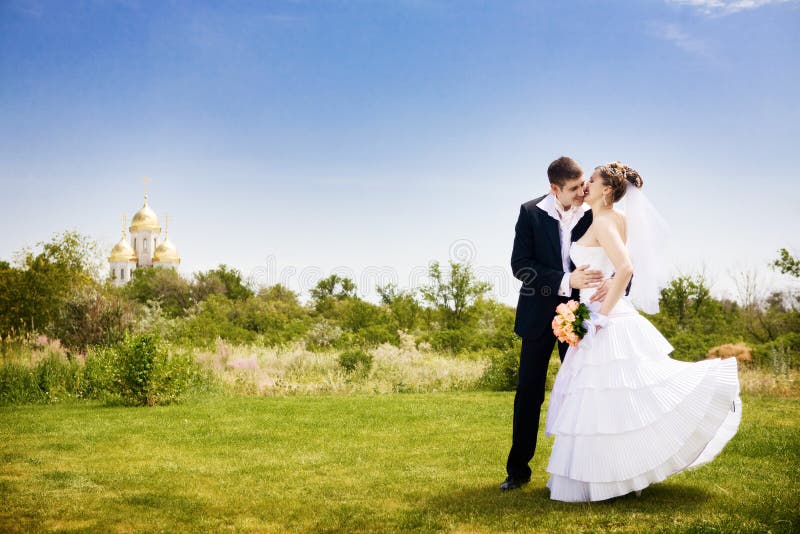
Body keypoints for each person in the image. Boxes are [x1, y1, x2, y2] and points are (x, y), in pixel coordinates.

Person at [544, 161, 742, 502]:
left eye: (590, 180)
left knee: (600, 401)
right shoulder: (616, 218)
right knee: (615, 403)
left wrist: (599, 319)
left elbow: (625, 267)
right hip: (603, 307)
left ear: (606, 189)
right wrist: (607, 287)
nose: (585, 185)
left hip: (604, 316)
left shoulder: (605, 220)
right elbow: (615, 267)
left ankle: (600, 480)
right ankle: (615, 474)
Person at [501, 156, 610, 491]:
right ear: (554, 188)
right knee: (529, 394)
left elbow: (613, 257)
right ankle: (518, 471)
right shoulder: (531, 212)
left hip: (579, 316)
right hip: (537, 316)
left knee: (580, 393)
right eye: (575, 188)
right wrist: (566, 281)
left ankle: (579, 470)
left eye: (583, 185)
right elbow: (521, 266)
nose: (582, 191)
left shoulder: (592, 213)